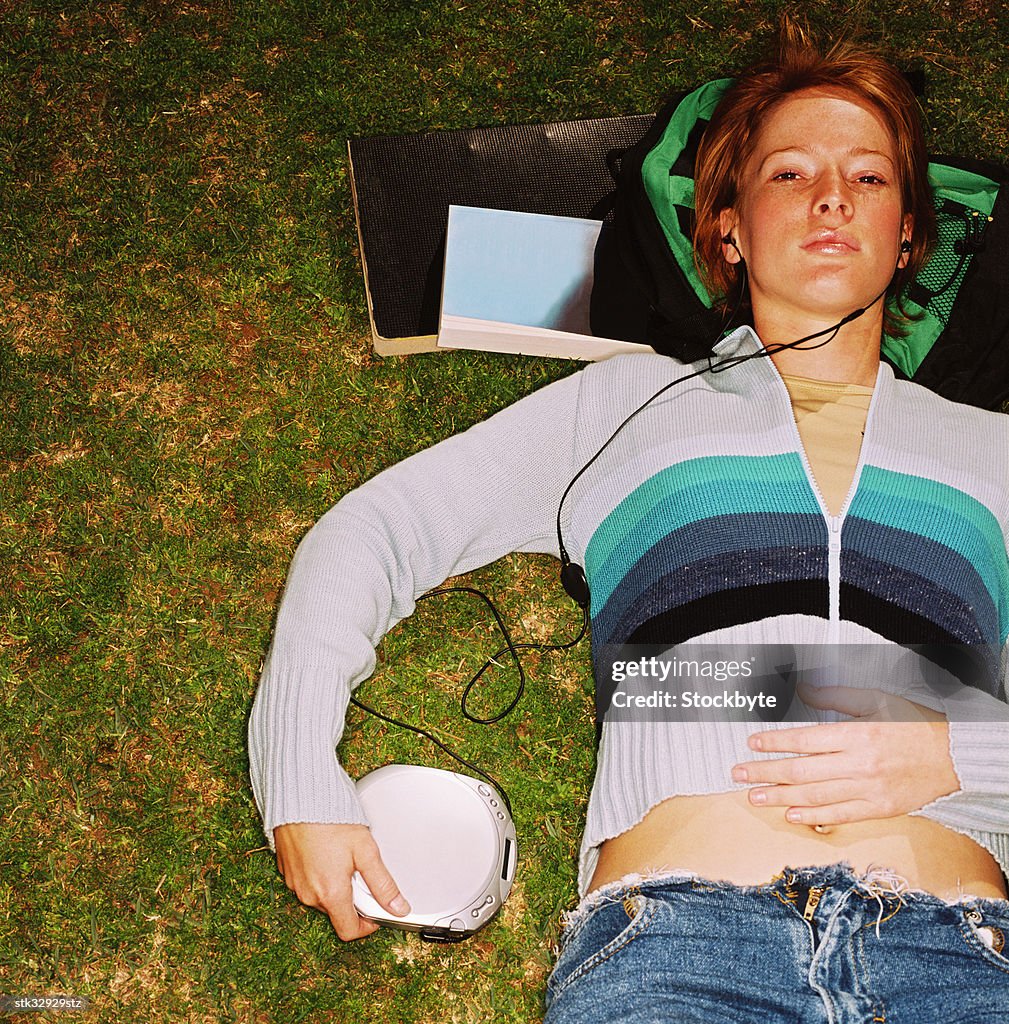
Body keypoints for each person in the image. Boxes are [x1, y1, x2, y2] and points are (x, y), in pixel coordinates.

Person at [249, 22, 1009, 1020]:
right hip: (678, 952)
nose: (831, 196)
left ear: (907, 233)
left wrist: (962, 753)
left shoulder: (991, 451)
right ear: (728, 230)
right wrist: (297, 774)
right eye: (789, 173)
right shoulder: (625, 406)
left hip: (956, 959)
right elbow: (376, 529)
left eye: (868, 177)